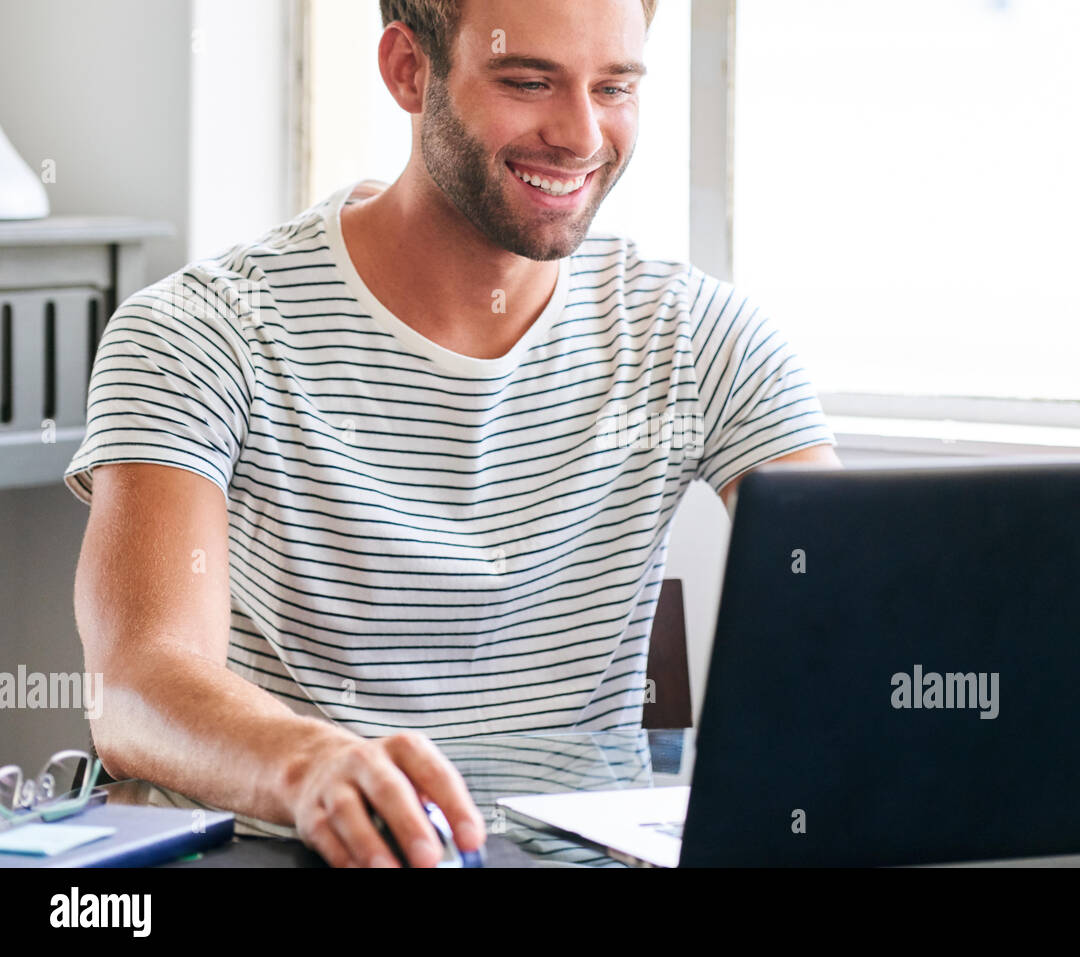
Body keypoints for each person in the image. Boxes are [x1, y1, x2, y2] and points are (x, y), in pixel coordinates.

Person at [66, 0, 840, 869]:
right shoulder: (201, 330)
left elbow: (857, 607)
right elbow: (136, 681)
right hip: (282, 850)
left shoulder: (697, 335)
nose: (581, 135)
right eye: (527, 81)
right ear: (408, 70)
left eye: (614, 86)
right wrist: (313, 764)